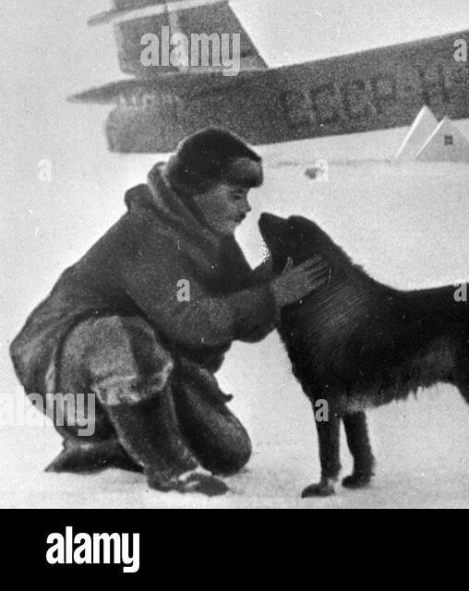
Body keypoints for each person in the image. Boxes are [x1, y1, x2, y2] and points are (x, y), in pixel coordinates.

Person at [9, 128, 327, 496]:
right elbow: (191, 322)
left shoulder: (213, 238)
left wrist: (278, 272)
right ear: (196, 190)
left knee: (230, 451)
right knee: (122, 336)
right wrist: (273, 294)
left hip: (150, 372)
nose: (246, 208)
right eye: (236, 195)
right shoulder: (143, 234)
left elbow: (245, 318)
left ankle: (115, 447)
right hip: (65, 378)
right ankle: (170, 468)